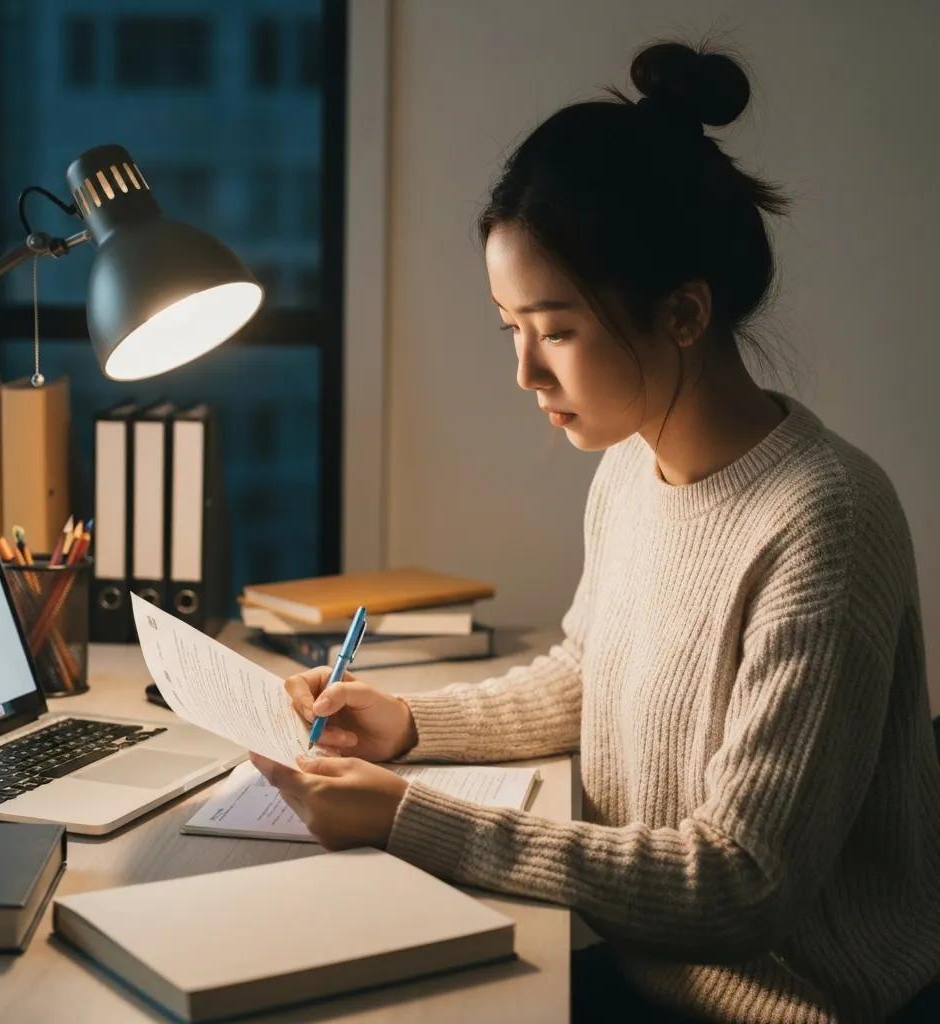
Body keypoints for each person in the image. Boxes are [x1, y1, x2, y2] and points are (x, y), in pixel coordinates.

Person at [250, 40, 940, 1023]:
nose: (525, 374)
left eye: (556, 330)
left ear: (684, 312)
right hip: (639, 966)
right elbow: (590, 672)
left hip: (794, 1002)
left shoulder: (823, 522)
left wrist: (412, 816)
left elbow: (742, 880)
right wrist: (410, 722)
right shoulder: (631, 467)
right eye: (510, 329)